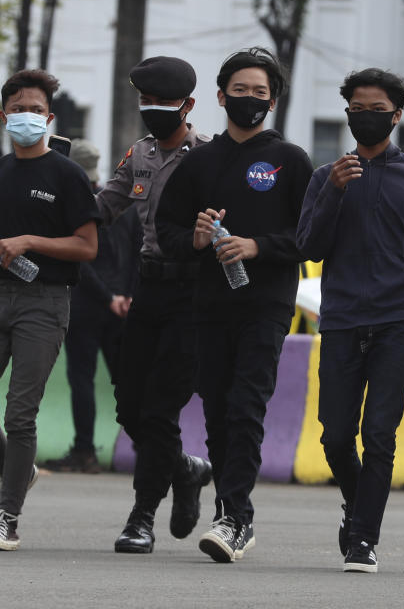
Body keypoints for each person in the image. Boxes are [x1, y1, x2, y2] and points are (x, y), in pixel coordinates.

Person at [156, 47, 313, 563]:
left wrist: (257, 246)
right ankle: (226, 505)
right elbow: (168, 231)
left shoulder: (289, 161)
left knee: (247, 406)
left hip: (265, 305)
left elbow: (311, 237)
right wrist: (197, 239)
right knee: (219, 410)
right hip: (208, 305)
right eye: (240, 91)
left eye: (260, 93)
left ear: (273, 101)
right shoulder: (198, 161)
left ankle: (236, 518)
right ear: (221, 97)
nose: (250, 100)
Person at [297, 68, 404, 574]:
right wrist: (335, 191)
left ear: (397, 115)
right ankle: (358, 504)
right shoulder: (325, 177)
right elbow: (309, 248)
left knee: (380, 433)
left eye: (376, 109)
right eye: (356, 109)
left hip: (397, 322)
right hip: (339, 321)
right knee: (335, 435)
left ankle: (363, 538)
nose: (365, 117)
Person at [0, 69, 99, 551]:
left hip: (45, 301)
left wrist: (30, 242)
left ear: (50, 117)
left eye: (36, 110)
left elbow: (87, 246)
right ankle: (19, 472)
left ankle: (7, 513)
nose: (27, 117)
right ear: (3, 116)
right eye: (18, 110)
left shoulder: (68, 174)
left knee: (21, 415)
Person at [95, 56, 213, 555]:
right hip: (149, 289)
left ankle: (141, 516)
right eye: (146, 102)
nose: (153, 111)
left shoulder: (208, 157)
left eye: (164, 103)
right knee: (128, 403)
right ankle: (185, 470)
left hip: (193, 293)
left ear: (187, 106)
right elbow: (104, 207)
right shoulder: (139, 155)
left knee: (162, 407)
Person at [46, 140, 141, 474]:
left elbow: (80, 260)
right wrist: (127, 295)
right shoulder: (125, 206)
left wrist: (108, 297)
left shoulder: (73, 206)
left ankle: (84, 450)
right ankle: (149, 449)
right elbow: (137, 253)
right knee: (126, 381)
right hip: (123, 309)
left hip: (87, 307)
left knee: (82, 380)